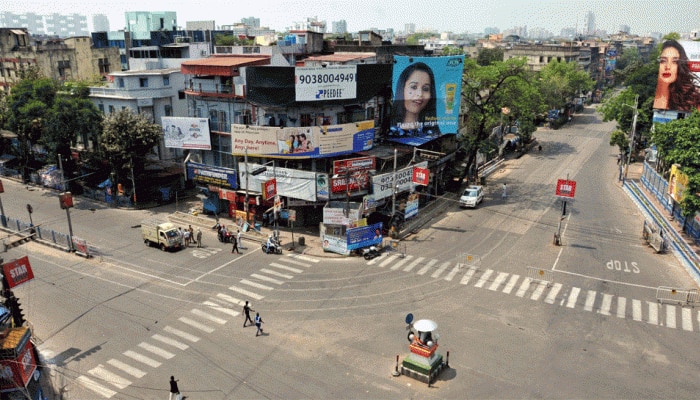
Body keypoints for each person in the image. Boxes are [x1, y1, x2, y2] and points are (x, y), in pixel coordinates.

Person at [389, 62, 441, 137]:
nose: (420, 94)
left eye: (425, 89)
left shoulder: (433, 133)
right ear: (402, 88)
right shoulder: (388, 129)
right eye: (413, 87)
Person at [653, 40, 700, 112]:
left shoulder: (692, 100)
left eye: (675, 62)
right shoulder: (650, 93)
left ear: (680, 66)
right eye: (663, 61)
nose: (667, 66)